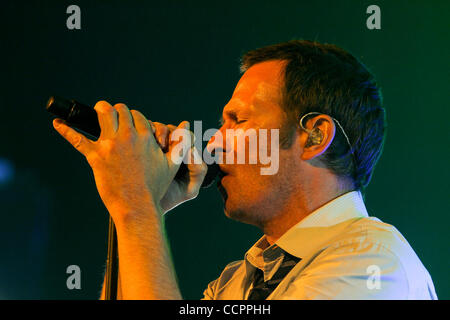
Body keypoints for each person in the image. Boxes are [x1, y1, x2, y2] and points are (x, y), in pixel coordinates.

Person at [53, 40, 437, 300]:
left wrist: (137, 205)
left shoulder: (373, 266)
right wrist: (136, 211)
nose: (215, 141)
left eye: (236, 120)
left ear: (314, 135)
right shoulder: (236, 282)